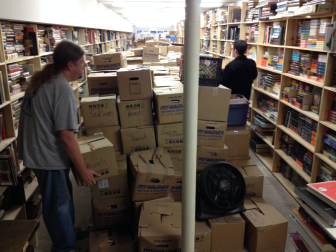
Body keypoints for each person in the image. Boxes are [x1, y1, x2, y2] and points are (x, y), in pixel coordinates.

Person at [18, 40, 100, 252]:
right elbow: (67, 137)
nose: (85, 66)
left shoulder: (45, 80)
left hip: (40, 152)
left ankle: (69, 232)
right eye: (82, 62)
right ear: (71, 65)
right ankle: (64, 247)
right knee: (58, 205)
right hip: (48, 157)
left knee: (63, 197)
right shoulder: (61, 89)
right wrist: (82, 171)